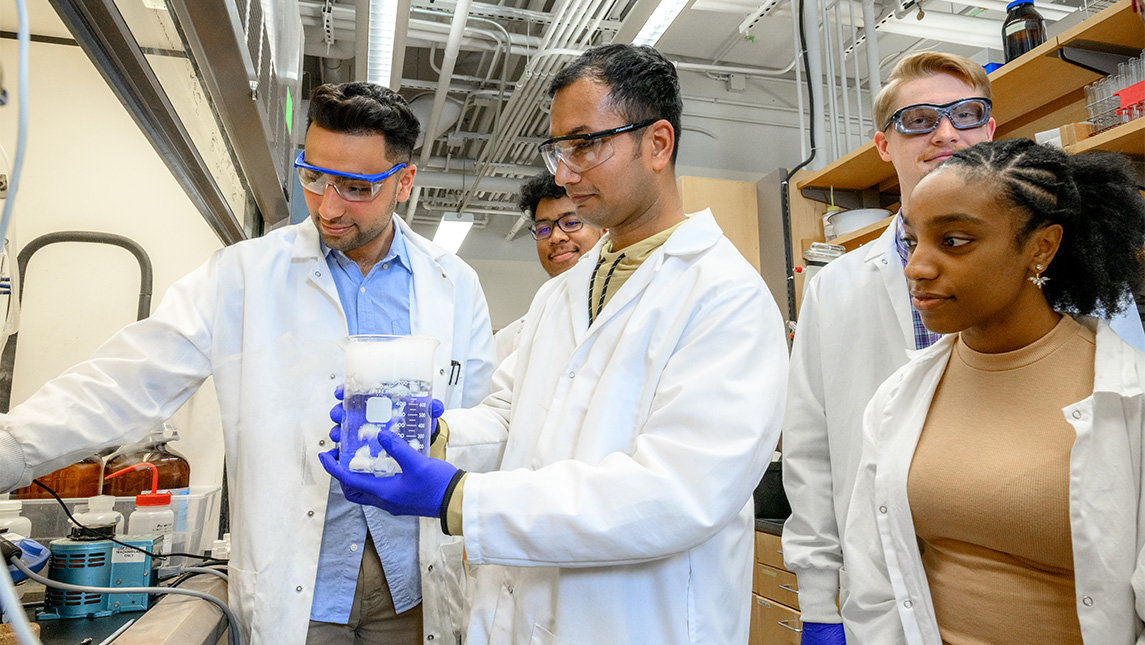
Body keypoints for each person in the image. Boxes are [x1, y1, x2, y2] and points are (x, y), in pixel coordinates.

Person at [320, 44, 789, 644]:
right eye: (558, 149)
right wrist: (433, 436)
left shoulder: (727, 298)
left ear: (658, 143)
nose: (564, 173)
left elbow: (675, 493)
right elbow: (512, 416)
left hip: (639, 623)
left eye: (585, 144)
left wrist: (460, 498)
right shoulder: (565, 292)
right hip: (524, 614)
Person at [0, 82, 497, 644]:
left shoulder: (455, 285)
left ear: (403, 182)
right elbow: (127, 379)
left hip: (414, 584)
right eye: (314, 177)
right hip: (300, 586)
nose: (328, 207)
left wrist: (444, 434)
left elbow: (482, 424)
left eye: (356, 188)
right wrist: (12, 448)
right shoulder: (242, 275)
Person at [780, 52, 1145, 644]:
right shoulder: (839, 296)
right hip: (893, 585)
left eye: (966, 114)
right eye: (919, 119)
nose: (947, 132)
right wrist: (822, 604)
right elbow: (811, 454)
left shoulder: (1096, 311)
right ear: (884, 144)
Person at [493, 172, 604, 362]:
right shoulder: (511, 341)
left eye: (571, 223)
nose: (555, 237)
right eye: (543, 229)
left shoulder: (632, 311)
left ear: (605, 227)